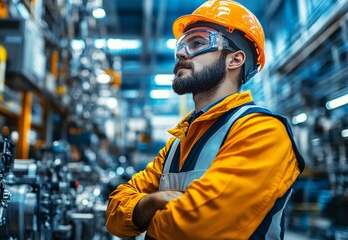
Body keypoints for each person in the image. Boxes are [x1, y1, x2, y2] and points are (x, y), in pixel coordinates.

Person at [105, 0, 305, 239]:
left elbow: (194, 228)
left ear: (235, 59)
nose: (180, 53)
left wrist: (147, 215)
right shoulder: (178, 143)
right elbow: (114, 214)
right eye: (181, 45)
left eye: (197, 43)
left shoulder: (263, 131)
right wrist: (151, 203)